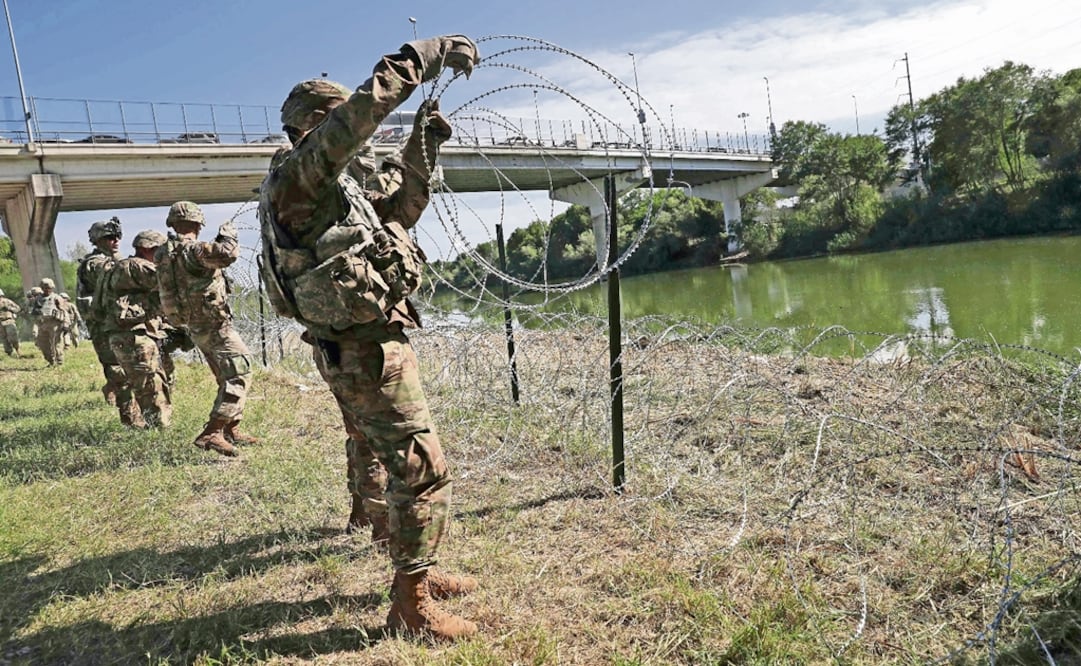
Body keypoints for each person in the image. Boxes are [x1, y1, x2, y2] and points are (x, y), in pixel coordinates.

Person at [258, 35, 481, 640]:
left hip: (372, 341)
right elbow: (363, 112)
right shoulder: (300, 178)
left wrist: (423, 144)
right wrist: (421, 57)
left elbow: (400, 207)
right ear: (313, 125)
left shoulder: (331, 193)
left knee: (407, 462)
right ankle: (412, 607)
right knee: (422, 469)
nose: (352, 135)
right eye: (335, 122)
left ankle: (419, 574)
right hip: (360, 347)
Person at [156, 201, 257, 456]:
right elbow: (227, 254)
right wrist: (228, 234)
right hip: (213, 324)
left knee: (225, 374)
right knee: (239, 371)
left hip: (193, 323)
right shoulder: (194, 249)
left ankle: (230, 427)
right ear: (199, 224)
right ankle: (213, 431)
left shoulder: (164, 253)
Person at [98, 230, 172, 428]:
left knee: (149, 382)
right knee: (149, 385)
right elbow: (166, 281)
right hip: (134, 336)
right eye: (159, 250)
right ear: (147, 249)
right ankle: (159, 433)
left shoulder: (122, 266)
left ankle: (154, 425)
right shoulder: (135, 266)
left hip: (131, 334)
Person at [77, 217, 141, 426]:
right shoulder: (93, 263)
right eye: (108, 237)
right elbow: (114, 276)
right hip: (102, 326)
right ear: (97, 240)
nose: (114, 241)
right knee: (117, 370)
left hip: (123, 322)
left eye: (116, 237)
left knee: (135, 368)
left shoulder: (118, 260)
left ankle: (130, 402)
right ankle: (129, 419)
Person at [30, 278, 66, 366]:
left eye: (49, 288)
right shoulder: (38, 299)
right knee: (42, 343)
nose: (46, 289)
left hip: (54, 323)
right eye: (44, 287)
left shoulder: (56, 297)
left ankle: (59, 361)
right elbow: (34, 312)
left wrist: (66, 324)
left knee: (56, 343)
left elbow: (64, 311)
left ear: (52, 288)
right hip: (43, 323)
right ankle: (50, 360)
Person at [0, 288, 21, 356]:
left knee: (13, 336)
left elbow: (18, 308)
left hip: (9, 321)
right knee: (4, 339)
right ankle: (9, 353)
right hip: (0, 323)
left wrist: (9, 308)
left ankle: (17, 349)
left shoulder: (7, 301)